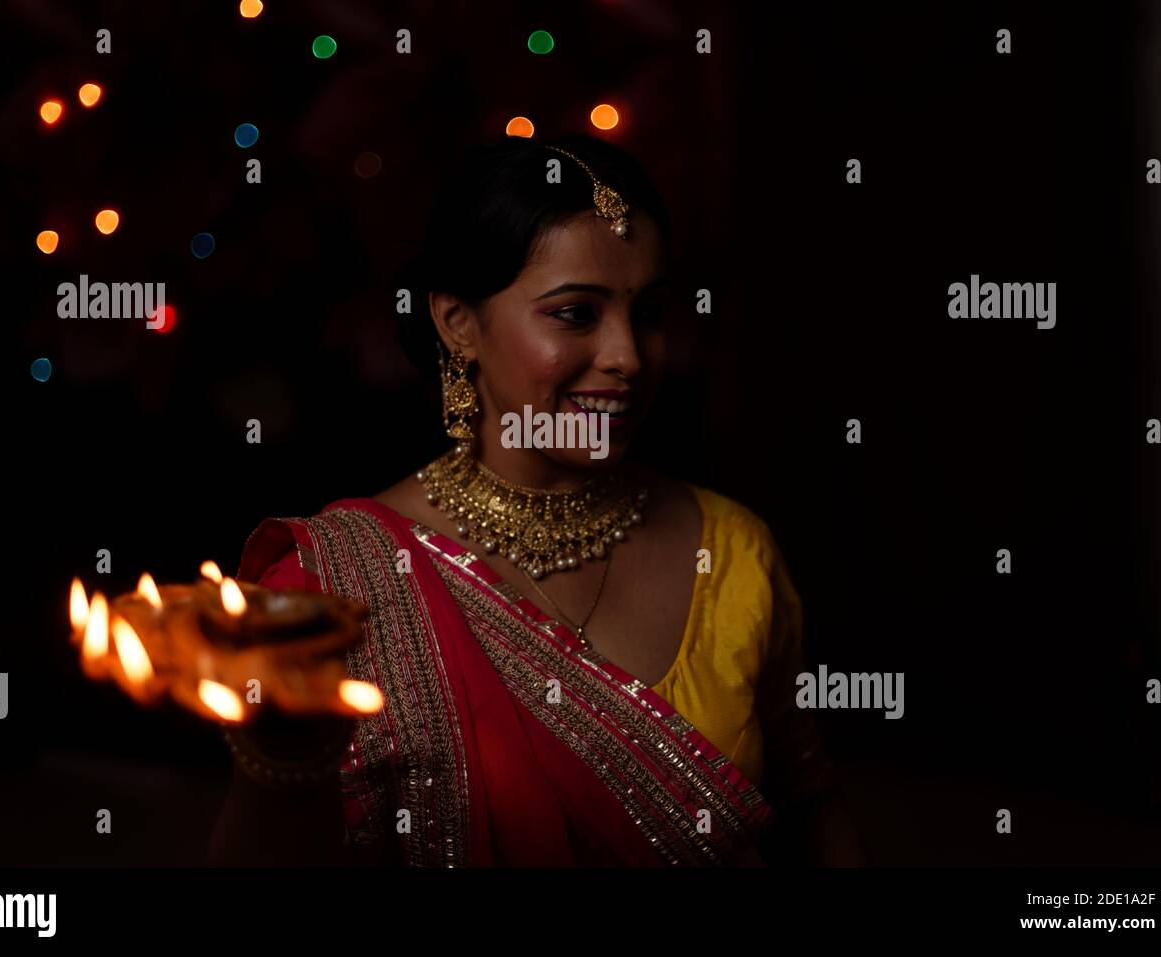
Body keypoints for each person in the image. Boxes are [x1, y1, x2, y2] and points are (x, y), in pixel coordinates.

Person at [208, 134, 861, 867]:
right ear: (458, 322)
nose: (629, 357)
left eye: (649, 312)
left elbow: (811, 807)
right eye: (576, 314)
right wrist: (279, 762)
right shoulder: (330, 583)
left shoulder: (735, 550)